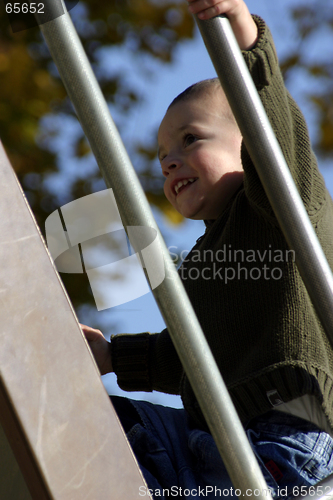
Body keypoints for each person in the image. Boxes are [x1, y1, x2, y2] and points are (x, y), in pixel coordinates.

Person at [81, 0, 333, 498]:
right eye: (162, 157)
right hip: (210, 435)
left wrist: (244, 41)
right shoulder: (204, 260)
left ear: (249, 143)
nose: (171, 163)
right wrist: (113, 357)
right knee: (105, 424)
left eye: (190, 139)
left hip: (286, 438)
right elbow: (189, 358)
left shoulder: (281, 207)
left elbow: (275, 128)